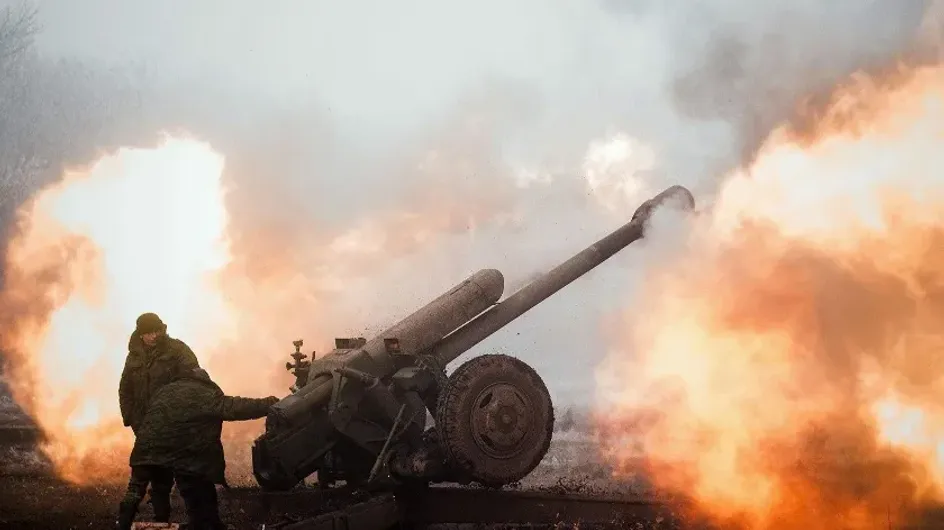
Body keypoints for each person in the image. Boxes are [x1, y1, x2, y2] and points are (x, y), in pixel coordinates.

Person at [129, 366, 279, 530]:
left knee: (193, 495)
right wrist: (269, 404)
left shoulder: (166, 392)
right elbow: (235, 407)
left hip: (159, 454)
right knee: (201, 493)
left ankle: (202, 524)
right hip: (189, 458)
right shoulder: (201, 394)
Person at [116, 312, 201, 528]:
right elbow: (125, 389)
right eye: (147, 332)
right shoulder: (134, 356)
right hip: (144, 427)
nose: (152, 336)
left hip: (171, 426)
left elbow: (193, 380)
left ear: (161, 329)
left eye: (155, 331)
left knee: (164, 478)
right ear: (140, 334)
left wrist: (182, 416)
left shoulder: (177, 350)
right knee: (138, 480)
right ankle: (123, 524)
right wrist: (131, 418)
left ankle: (162, 522)